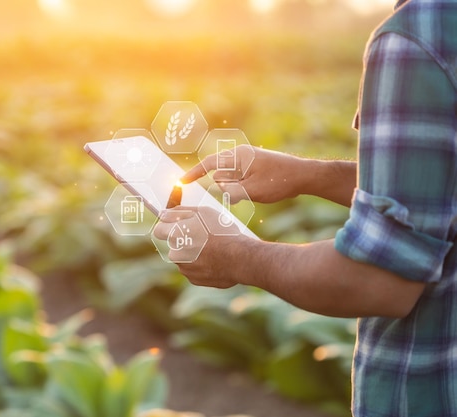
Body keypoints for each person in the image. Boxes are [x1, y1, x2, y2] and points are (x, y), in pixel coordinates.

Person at [153, 0, 457, 416]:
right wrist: (307, 175)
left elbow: (378, 280)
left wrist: (235, 256)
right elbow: (440, 193)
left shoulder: (420, 35)